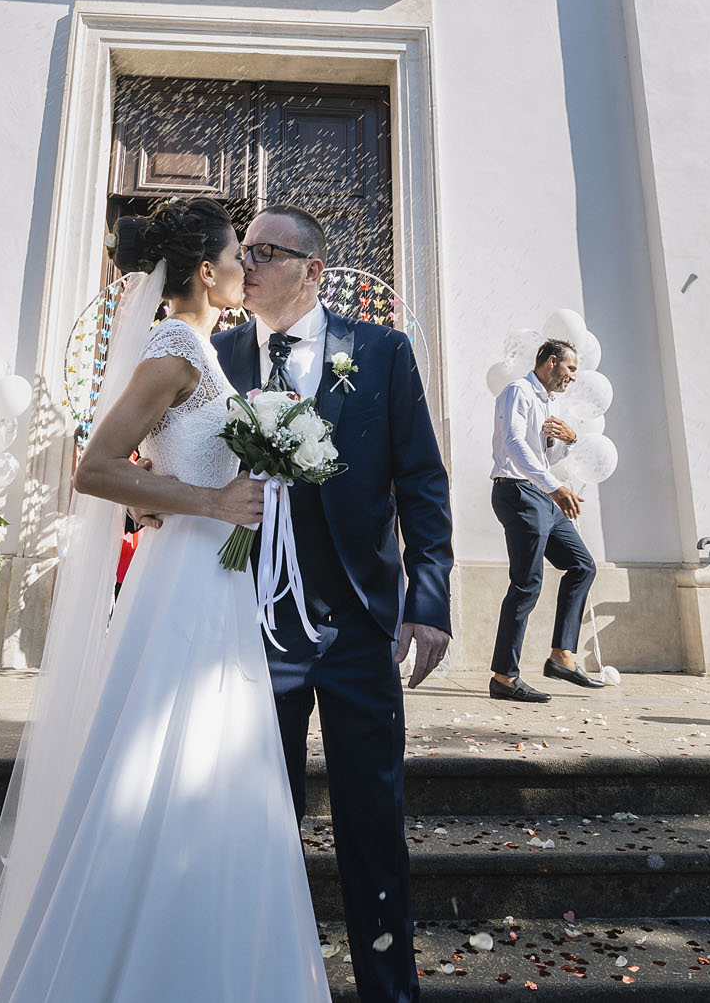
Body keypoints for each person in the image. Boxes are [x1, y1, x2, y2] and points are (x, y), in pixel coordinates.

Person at [0, 198, 328, 1002]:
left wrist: (181, 490)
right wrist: (210, 503)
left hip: (214, 582)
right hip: (185, 584)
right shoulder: (175, 348)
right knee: (164, 760)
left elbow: (153, 467)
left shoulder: (196, 346)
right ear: (206, 270)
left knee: (211, 767)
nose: (247, 268)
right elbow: (94, 467)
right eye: (238, 255)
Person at [203, 203, 452, 1003]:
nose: (244, 265)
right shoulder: (216, 354)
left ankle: (389, 990)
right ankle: (263, 981)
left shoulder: (380, 353)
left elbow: (420, 481)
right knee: (255, 823)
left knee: (371, 825)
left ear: (313, 272)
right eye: (242, 251)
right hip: (249, 626)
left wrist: (431, 597)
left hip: (357, 627)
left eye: (263, 253)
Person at [488, 338, 602, 702]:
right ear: (552, 362)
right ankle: (504, 678)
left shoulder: (550, 402)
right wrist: (554, 488)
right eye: (570, 368)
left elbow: (544, 457)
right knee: (526, 584)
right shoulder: (517, 391)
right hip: (518, 493)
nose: (572, 377)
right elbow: (512, 444)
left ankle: (561, 656)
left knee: (582, 565)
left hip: (540, 493)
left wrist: (569, 440)